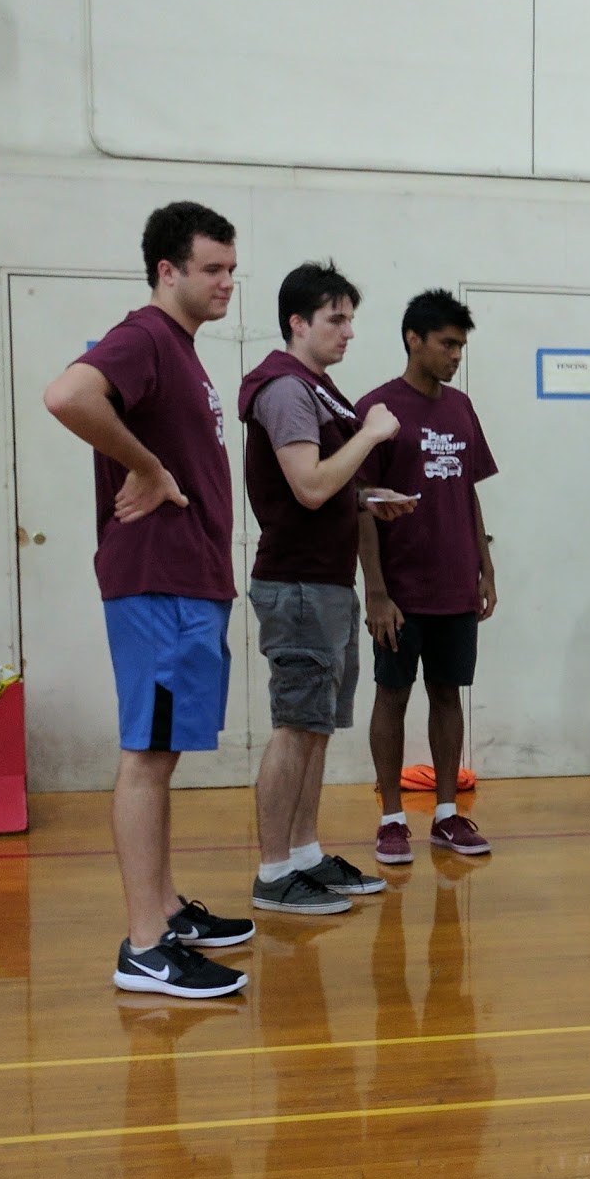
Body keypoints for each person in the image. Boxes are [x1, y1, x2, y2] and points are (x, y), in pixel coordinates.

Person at [42, 201, 255, 999]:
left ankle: (165, 911)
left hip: (187, 578)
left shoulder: (180, 349)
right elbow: (68, 396)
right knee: (148, 755)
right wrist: (147, 467)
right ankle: (143, 947)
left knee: (161, 756)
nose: (227, 282)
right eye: (212, 269)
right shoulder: (143, 336)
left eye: (233, 268)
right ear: (167, 271)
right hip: (156, 577)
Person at [237, 261, 400, 914]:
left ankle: (303, 855)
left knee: (315, 727)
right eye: (336, 319)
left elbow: (327, 484)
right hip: (298, 583)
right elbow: (306, 485)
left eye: (351, 318)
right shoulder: (283, 389)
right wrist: (370, 435)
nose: (349, 332)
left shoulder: (318, 388)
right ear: (297, 323)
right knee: (293, 726)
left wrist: (368, 496)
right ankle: (274, 872)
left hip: (327, 584)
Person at [356, 288, 499, 864]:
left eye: (461, 346)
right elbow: (359, 505)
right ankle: (392, 818)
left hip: (455, 582)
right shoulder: (378, 411)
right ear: (413, 340)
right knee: (392, 695)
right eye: (446, 344)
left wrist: (485, 565)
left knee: (448, 694)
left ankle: (446, 815)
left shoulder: (461, 408)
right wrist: (376, 591)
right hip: (401, 589)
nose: (455, 356)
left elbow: (466, 490)